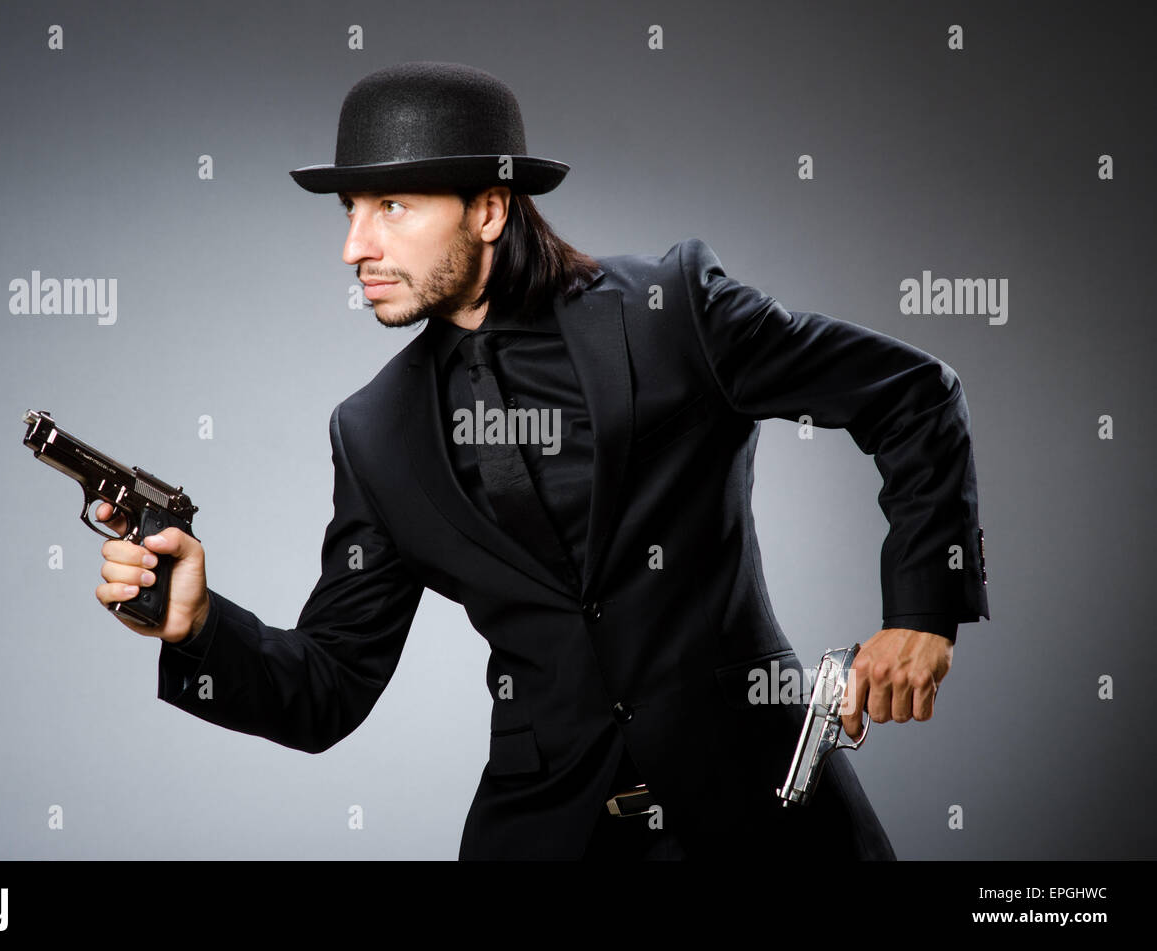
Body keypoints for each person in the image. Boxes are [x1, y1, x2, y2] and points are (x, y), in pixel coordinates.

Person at [94, 61, 989, 860]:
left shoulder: (670, 311)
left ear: (489, 208)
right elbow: (330, 685)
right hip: (549, 834)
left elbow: (912, 395)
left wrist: (923, 610)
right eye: (350, 211)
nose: (354, 247)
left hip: (768, 814)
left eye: (392, 207)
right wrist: (200, 623)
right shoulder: (373, 433)